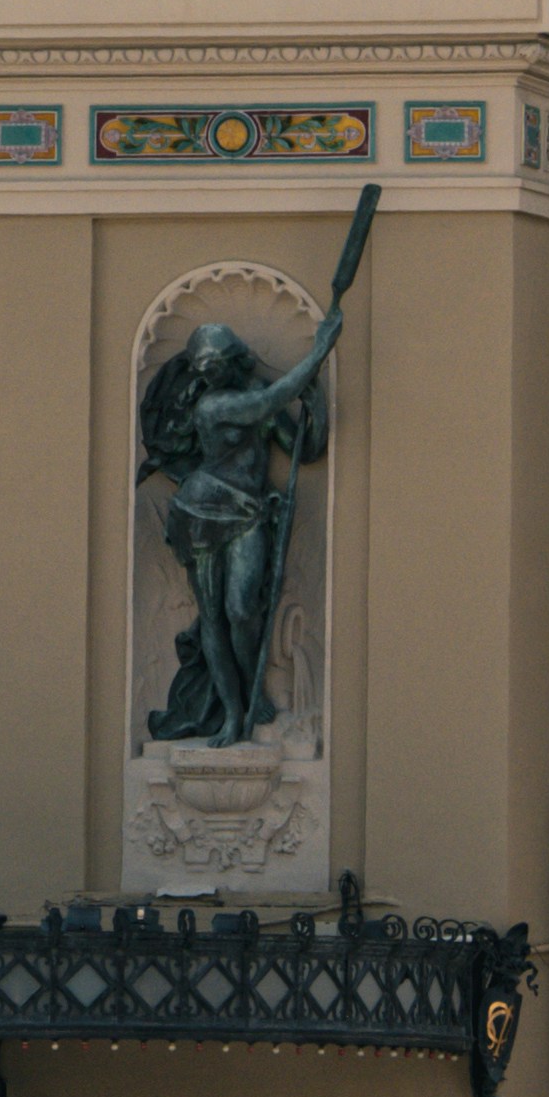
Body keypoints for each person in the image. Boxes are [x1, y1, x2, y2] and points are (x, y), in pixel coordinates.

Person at [139, 184, 377, 748]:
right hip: (202, 511)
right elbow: (271, 400)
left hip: (247, 514)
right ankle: (230, 713)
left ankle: (248, 698)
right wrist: (318, 354)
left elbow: (306, 447)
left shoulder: (253, 402)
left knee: (244, 607)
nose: (208, 372)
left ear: (232, 360)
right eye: (202, 365)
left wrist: (316, 402)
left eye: (215, 363)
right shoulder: (215, 407)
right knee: (214, 617)